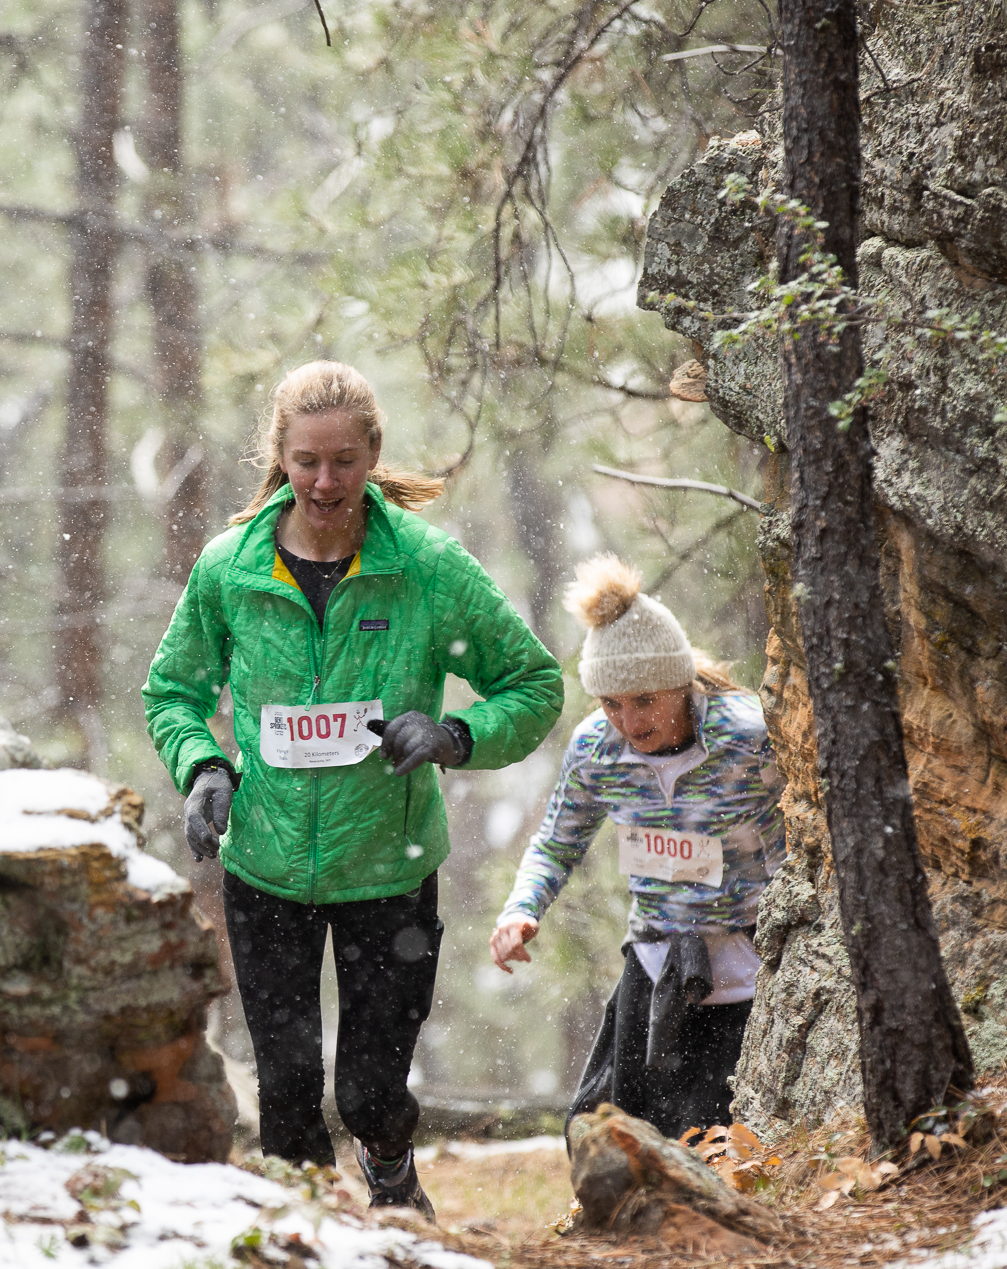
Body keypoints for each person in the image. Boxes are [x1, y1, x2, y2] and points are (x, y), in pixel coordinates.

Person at [143, 361, 563, 1217]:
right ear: (281, 456)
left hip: (387, 867)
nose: (325, 482)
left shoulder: (426, 567)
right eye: (306, 461)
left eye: (343, 461)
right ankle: (309, 1245)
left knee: (371, 1091)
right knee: (288, 1094)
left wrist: (455, 736)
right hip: (266, 867)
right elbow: (172, 692)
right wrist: (204, 767)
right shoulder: (231, 569)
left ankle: (389, 1163)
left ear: (373, 454)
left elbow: (534, 683)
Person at [489, 553, 784, 1142]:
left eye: (645, 699)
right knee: (604, 1134)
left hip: (749, 970)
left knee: (717, 1142)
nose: (628, 720)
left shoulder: (749, 738)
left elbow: (803, 849)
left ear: (681, 683)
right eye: (611, 703)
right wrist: (521, 909)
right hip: (654, 964)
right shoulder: (595, 749)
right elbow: (555, 843)